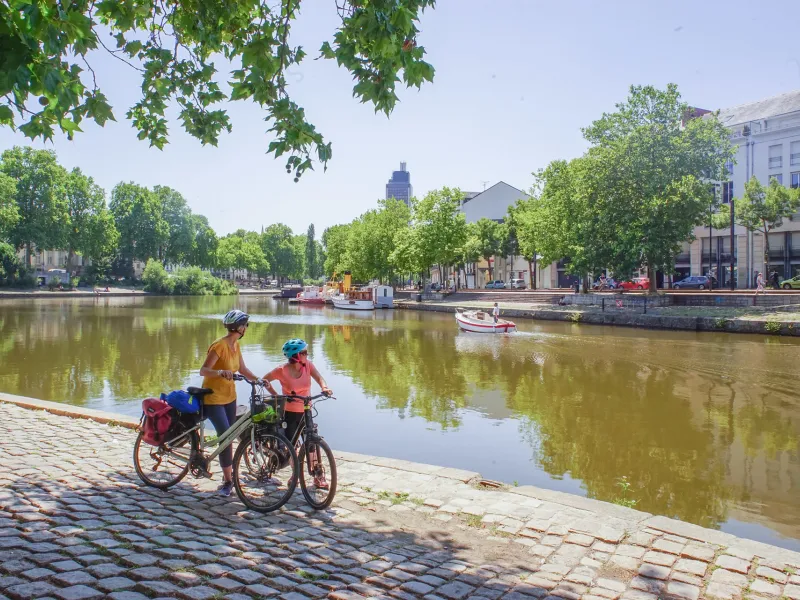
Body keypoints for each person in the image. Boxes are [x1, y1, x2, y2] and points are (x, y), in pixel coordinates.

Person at [198, 309, 261, 497]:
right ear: (239, 327)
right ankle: (227, 481)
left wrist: (258, 380)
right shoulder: (219, 346)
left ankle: (228, 476)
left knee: (230, 436)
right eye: (245, 325)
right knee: (226, 438)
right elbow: (204, 370)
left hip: (230, 398)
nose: (246, 328)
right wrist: (219, 372)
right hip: (213, 398)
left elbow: (242, 369)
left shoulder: (235, 346)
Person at [262, 339, 333, 488]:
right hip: (289, 413)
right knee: (291, 446)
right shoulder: (281, 370)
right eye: (304, 353)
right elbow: (264, 380)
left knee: (312, 444)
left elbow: (319, 378)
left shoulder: (308, 366)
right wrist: (277, 396)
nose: (307, 355)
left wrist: (325, 387)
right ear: (295, 356)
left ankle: (318, 476)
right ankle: (296, 475)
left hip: (306, 410)